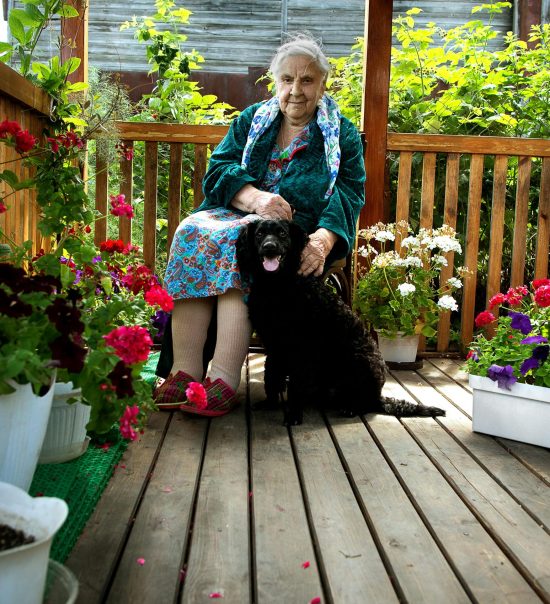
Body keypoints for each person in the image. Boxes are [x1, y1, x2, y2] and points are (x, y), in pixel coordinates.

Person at [154, 32, 366, 415]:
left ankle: (221, 378)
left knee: (240, 247)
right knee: (190, 230)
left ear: (322, 84)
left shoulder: (341, 133)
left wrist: (322, 240)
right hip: (238, 213)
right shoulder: (253, 119)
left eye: (306, 80)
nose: (296, 90)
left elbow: (349, 192)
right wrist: (256, 199)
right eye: (287, 79)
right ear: (276, 83)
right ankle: (185, 371)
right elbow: (218, 169)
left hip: (291, 233)